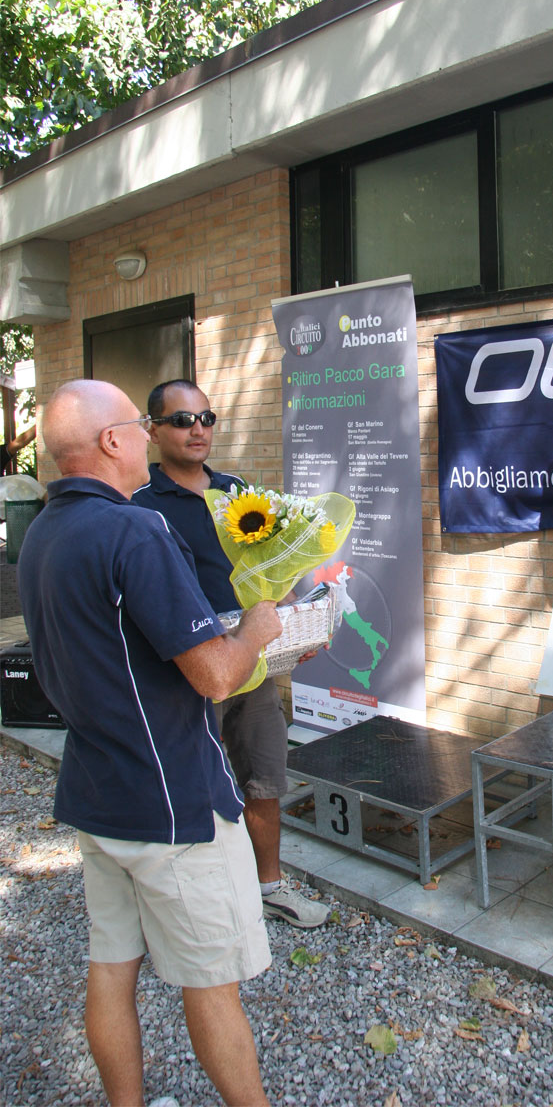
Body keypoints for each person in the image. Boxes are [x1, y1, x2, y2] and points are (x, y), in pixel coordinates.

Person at [17, 379, 282, 1107]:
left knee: (111, 969)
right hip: (174, 808)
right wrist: (258, 627)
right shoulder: (134, 529)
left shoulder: (41, 531)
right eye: (139, 423)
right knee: (213, 984)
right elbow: (215, 677)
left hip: (98, 796)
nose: (147, 435)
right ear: (111, 441)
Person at [132, 379, 328, 928]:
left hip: (252, 667)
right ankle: (187, 906)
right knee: (190, 787)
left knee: (264, 779)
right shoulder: (141, 506)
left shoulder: (239, 493)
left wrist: (294, 629)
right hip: (188, 674)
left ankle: (270, 889)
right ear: (151, 431)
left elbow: (271, 574)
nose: (197, 429)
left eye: (207, 418)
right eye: (181, 420)